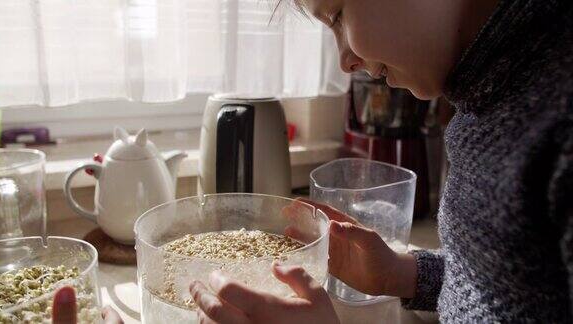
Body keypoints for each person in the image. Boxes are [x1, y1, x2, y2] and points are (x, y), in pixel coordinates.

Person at [189, 0, 573, 323]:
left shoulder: (559, 117)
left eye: (337, 15)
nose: (344, 61)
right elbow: (511, 288)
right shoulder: (486, 102)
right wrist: (402, 274)